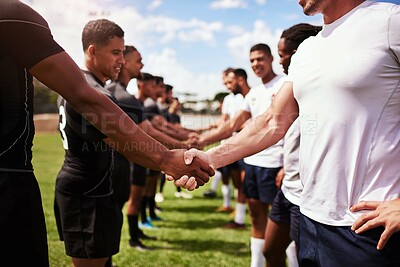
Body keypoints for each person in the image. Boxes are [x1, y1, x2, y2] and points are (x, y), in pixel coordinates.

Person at [178, 1, 400, 266]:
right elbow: (273, 120)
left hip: (367, 227)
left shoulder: (390, 22)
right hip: (311, 219)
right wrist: (210, 158)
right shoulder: (308, 48)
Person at [53, 19, 213, 267]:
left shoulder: (78, 86)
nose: (121, 60)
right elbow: (131, 143)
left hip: (90, 186)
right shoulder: (92, 93)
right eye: (115, 52)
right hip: (86, 191)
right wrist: (173, 160)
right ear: (93, 51)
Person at [195, 48, 287, 267]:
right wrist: (200, 142)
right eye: (252, 60)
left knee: (284, 228)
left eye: (260, 59)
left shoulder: (285, 84)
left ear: (271, 59)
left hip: (276, 164)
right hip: (253, 163)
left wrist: (288, 164)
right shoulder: (254, 93)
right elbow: (232, 125)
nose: (256, 64)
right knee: (256, 218)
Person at [262, 23, 322, 267]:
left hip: (305, 196)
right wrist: (288, 166)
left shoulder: (316, 88)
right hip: (287, 188)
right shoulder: (292, 86)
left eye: (282, 55)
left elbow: (313, 134)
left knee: (304, 258)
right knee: (270, 251)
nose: (280, 61)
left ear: (298, 54)